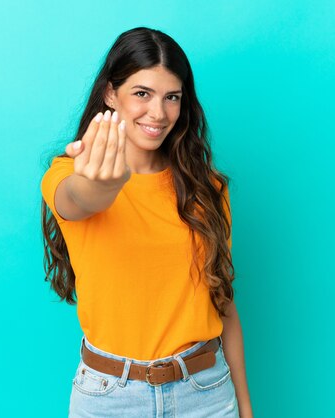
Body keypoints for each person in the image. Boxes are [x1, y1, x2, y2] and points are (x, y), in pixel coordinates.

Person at [40, 27, 253, 417]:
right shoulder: (68, 175)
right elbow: (79, 200)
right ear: (110, 93)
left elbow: (224, 303)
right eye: (142, 93)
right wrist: (107, 183)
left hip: (205, 393)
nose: (158, 113)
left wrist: (246, 407)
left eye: (172, 97)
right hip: (109, 398)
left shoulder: (209, 190)